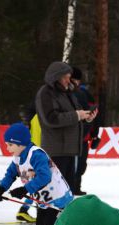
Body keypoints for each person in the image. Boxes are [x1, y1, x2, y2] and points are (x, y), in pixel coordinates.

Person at [0, 122, 74, 225]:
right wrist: (1, 189)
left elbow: (44, 176)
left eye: (10, 144)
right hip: (43, 201)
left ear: (20, 144)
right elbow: (11, 174)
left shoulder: (36, 155)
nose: (7, 148)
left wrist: (24, 189)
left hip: (58, 200)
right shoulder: (18, 157)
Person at [35, 61, 94, 195]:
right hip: (55, 151)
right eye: (66, 77)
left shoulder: (68, 93)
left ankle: (62, 216)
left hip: (69, 150)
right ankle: (48, 216)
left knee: (66, 193)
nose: (69, 80)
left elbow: (75, 116)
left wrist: (86, 118)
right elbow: (51, 118)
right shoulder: (45, 93)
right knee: (54, 193)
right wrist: (77, 115)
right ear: (57, 77)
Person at [71, 67, 102, 195]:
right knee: (77, 164)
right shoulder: (67, 93)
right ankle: (73, 187)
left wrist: (94, 134)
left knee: (80, 164)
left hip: (82, 136)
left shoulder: (83, 94)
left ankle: (76, 187)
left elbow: (94, 115)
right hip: (78, 136)